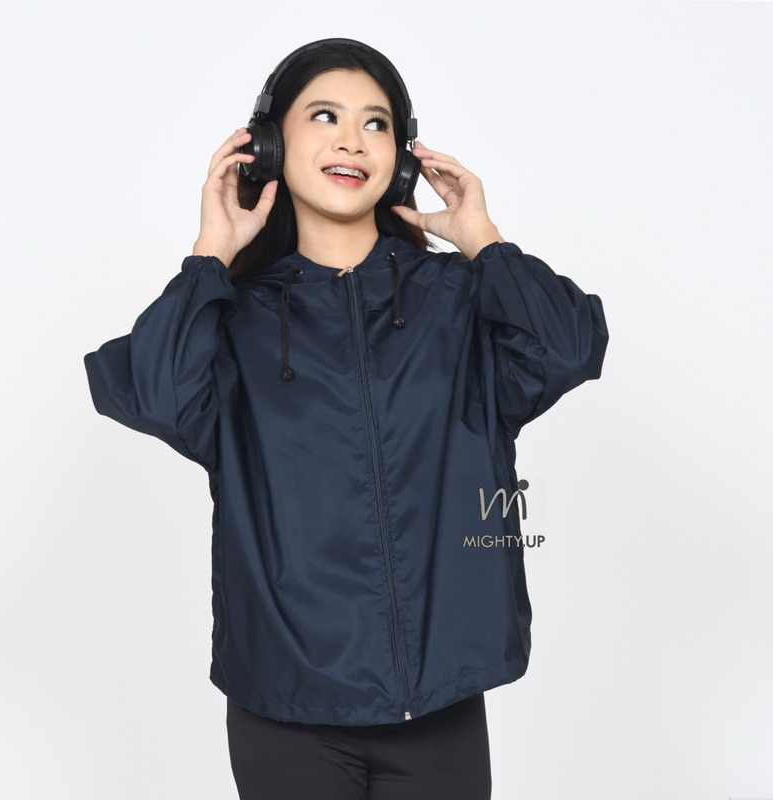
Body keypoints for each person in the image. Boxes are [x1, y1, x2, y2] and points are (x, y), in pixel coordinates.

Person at [84, 38, 609, 800]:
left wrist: (483, 240)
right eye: (325, 116)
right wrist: (209, 256)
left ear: (400, 156)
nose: (351, 141)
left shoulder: (457, 300)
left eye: (375, 124)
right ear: (270, 145)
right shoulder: (231, 318)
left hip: (439, 706)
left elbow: (569, 347)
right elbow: (156, 394)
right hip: (285, 709)